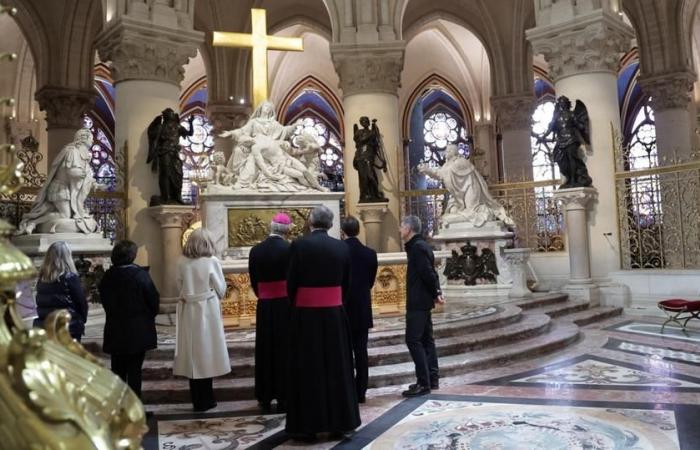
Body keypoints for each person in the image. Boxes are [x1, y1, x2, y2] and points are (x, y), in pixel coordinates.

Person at [286, 205, 361, 441]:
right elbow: (346, 283)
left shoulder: (298, 245)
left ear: (310, 222)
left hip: (306, 316)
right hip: (334, 315)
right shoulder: (341, 246)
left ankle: (308, 427)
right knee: (338, 367)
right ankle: (341, 423)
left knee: (308, 368)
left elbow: (291, 282)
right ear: (330, 224)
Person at [174, 228, 231, 412]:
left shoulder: (181, 261)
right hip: (207, 309)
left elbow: (178, 286)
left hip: (188, 309)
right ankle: (208, 398)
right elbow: (221, 289)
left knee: (192, 353)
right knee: (206, 351)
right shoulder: (211, 261)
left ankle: (197, 399)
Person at [99, 240, 159, 399]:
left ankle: (119, 409)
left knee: (117, 371)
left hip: (115, 329)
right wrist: (146, 317)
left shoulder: (108, 276)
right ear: (132, 256)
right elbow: (153, 300)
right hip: (138, 331)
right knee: (134, 372)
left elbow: (104, 301)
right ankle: (135, 408)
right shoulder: (140, 275)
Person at [248, 212, 293, 413]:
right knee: (285, 349)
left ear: (271, 227)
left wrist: (264, 294)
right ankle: (284, 396)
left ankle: (265, 396)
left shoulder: (256, 250)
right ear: (286, 230)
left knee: (265, 349)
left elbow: (254, 281)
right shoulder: (291, 249)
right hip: (286, 304)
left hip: (265, 305)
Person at [18, 128, 98, 235]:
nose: (92, 141)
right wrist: (78, 173)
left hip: (69, 190)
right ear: (83, 138)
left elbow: (87, 174)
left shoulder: (84, 154)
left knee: (65, 215)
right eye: (91, 139)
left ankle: (34, 222)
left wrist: (95, 184)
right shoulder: (71, 151)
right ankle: (33, 222)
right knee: (65, 215)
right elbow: (70, 171)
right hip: (60, 188)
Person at [399, 215, 443, 397]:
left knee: (413, 340)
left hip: (418, 301)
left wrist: (436, 292)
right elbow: (430, 272)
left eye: (402, 226)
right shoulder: (418, 246)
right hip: (422, 299)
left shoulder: (417, 247)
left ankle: (424, 382)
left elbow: (428, 273)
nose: (400, 229)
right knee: (426, 340)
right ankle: (432, 379)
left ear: (409, 228)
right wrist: (436, 292)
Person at [418, 144, 513, 227]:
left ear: (453, 152)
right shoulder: (447, 164)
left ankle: (488, 212)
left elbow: (444, 173)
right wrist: (427, 171)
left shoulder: (461, 162)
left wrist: (429, 170)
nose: (445, 153)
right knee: (453, 211)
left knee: (473, 211)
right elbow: (440, 174)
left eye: (448, 151)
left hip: (470, 188)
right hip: (459, 195)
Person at [341, 216, 378, 403]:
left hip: (342, 308)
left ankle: (347, 391)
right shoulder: (370, 253)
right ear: (358, 230)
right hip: (363, 307)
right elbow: (371, 281)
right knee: (361, 352)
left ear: (343, 231)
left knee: (345, 352)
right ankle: (361, 391)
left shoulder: (339, 251)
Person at [34, 241, 88, 341]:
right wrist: (81, 320)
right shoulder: (70, 277)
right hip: (67, 327)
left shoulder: (42, 278)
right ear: (67, 257)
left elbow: (41, 303)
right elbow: (81, 302)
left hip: (46, 326)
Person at [146, 108, 195, 205]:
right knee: (165, 174)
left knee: (179, 174)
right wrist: (154, 124)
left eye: (172, 114)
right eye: (169, 114)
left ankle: (177, 196)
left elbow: (190, 133)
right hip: (164, 153)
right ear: (166, 116)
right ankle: (166, 197)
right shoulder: (161, 127)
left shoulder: (178, 127)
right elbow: (152, 136)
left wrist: (191, 123)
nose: (172, 115)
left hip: (175, 153)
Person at [353, 116, 387, 202]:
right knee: (363, 177)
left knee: (371, 175)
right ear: (361, 123)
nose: (365, 122)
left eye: (366, 121)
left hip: (369, 155)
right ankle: (364, 195)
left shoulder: (372, 132)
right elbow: (360, 141)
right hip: (361, 156)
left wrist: (375, 134)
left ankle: (375, 194)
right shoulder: (359, 132)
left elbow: (376, 146)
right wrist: (372, 134)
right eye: (363, 121)